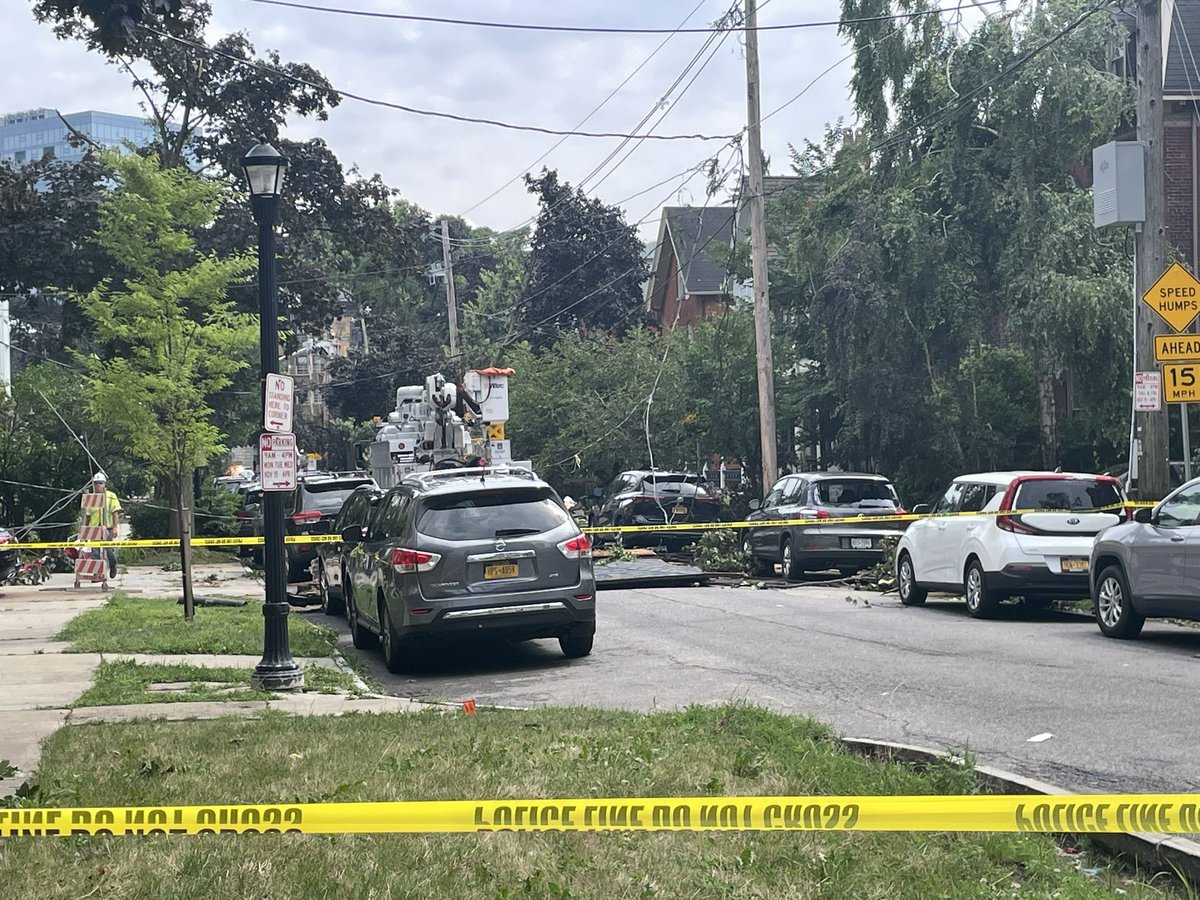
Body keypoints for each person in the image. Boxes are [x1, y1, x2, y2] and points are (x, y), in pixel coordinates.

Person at [79, 472, 122, 586]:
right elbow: (87, 515)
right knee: (96, 552)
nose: (98, 486)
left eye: (100, 483)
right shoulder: (91, 498)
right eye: (96, 483)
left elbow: (115, 512)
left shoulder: (111, 496)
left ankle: (112, 565)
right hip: (94, 530)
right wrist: (85, 530)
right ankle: (98, 573)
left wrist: (115, 527)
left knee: (108, 551)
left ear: (104, 484)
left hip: (107, 528)